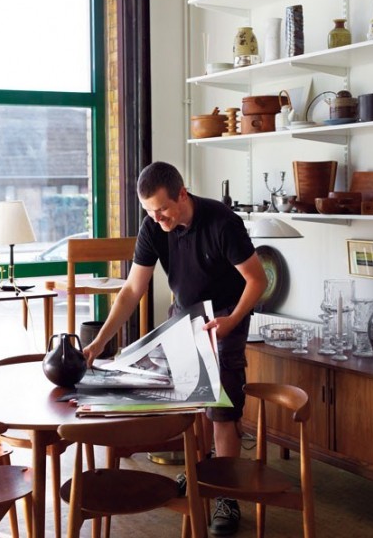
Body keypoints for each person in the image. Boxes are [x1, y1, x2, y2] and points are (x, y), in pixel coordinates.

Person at [83, 161, 267, 536]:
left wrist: (232, 321)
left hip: (225, 320)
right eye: (150, 211)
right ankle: (201, 473)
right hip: (184, 317)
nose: (157, 218)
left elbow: (257, 279)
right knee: (187, 401)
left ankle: (225, 497)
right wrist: (101, 341)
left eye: (162, 209)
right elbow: (133, 290)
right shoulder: (153, 226)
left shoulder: (222, 223)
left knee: (221, 411)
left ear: (182, 194)